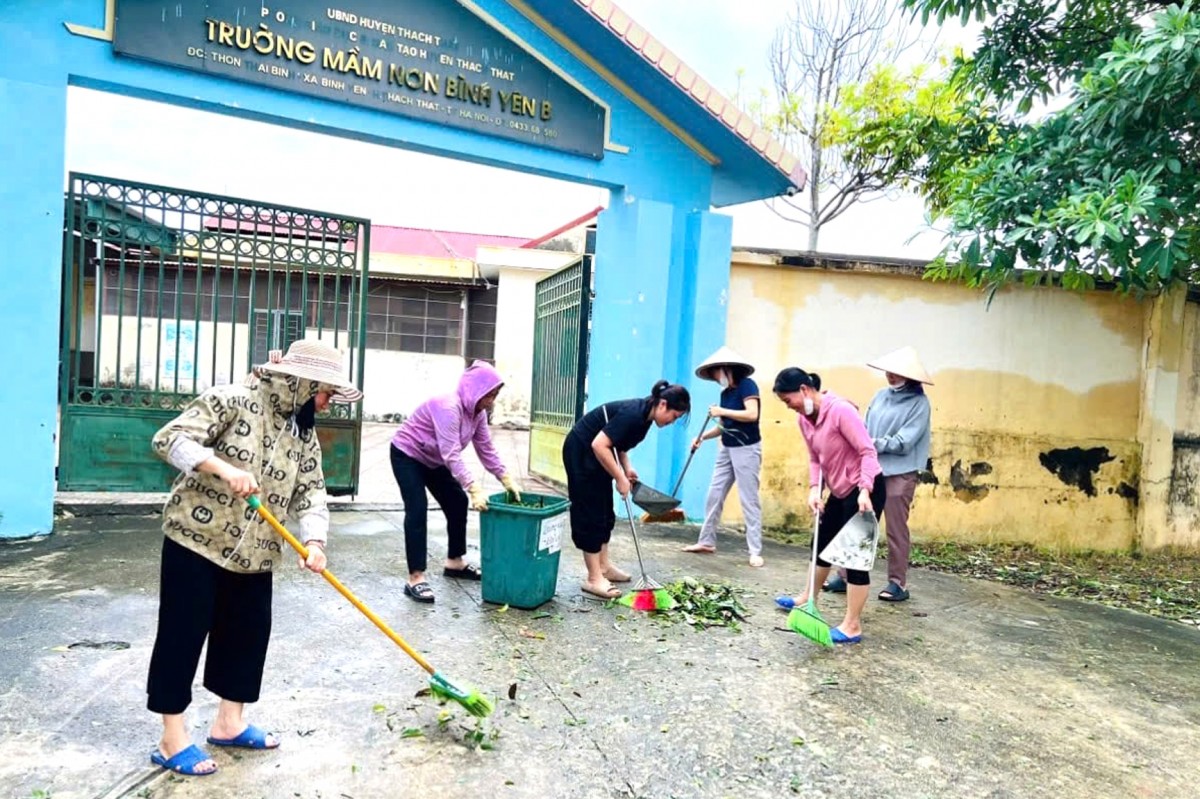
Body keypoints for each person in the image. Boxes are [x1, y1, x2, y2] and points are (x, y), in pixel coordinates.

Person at [146, 338, 362, 777]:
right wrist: (223, 468)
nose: (326, 402)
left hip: (257, 552)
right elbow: (169, 440)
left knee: (247, 635)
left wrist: (316, 543)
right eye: (324, 392)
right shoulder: (231, 400)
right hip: (197, 540)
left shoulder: (304, 435)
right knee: (182, 635)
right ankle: (172, 739)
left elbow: (312, 492)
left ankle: (229, 722)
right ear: (303, 382)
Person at [390, 360, 521, 604]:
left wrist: (505, 477)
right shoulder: (448, 407)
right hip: (407, 454)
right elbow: (451, 453)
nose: (491, 400)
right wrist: (473, 486)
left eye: (494, 395)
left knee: (456, 501)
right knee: (417, 509)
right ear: (475, 390)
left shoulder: (477, 413)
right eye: (488, 394)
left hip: (433, 458)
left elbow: (486, 448)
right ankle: (416, 578)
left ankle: (455, 562)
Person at [772, 366, 884, 645]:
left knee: (854, 558)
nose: (789, 408)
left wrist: (864, 489)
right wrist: (814, 490)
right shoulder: (805, 419)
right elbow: (815, 458)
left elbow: (867, 451)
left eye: (788, 401)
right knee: (821, 544)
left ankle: (852, 625)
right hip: (839, 490)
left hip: (864, 490)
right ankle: (807, 597)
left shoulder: (841, 411)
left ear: (803, 390)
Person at [562, 379, 691, 599]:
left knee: (605, 512)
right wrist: (619, 477)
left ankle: (604, 567)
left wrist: (627, 468)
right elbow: (599, 444)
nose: (672, 422)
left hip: (598, 456)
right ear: (662, 405)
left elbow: (617, 444)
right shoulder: (633, 414)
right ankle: (593, 578)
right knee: (590, 513)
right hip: (581, 452)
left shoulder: (644, 420)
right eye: (674, 416)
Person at [682, 346, 765, 567]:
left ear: (726, 369)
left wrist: (722, 411)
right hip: (726, 448)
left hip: (747, 448)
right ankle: (706, 541)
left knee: (749, 499)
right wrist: (702, 438)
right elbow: (722, 427)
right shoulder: (725, 394)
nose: (716, 378)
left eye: (716, 373)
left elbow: (752, 414)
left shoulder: (748, 385)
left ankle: (755, 550)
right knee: (714, 493)